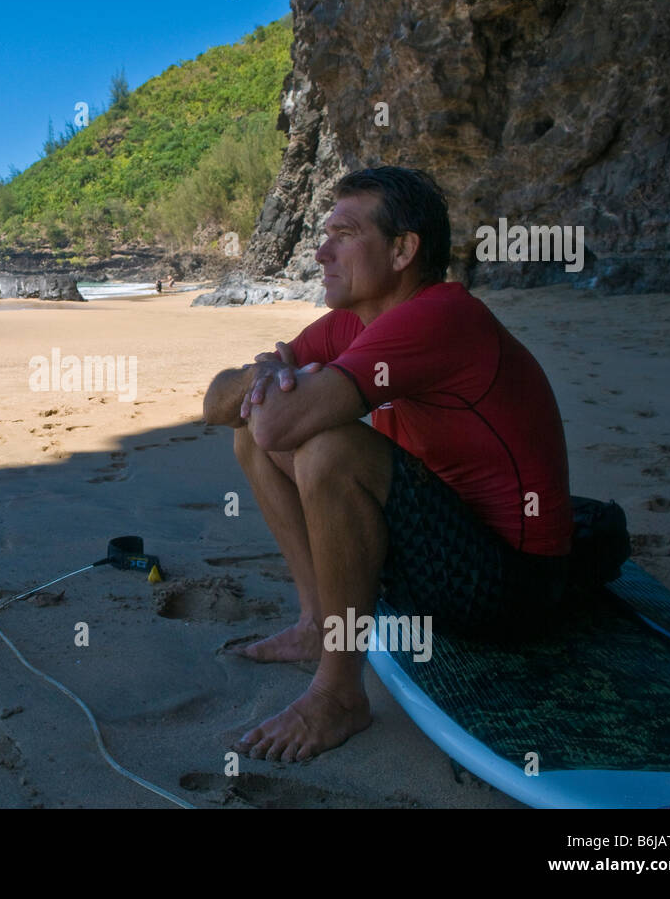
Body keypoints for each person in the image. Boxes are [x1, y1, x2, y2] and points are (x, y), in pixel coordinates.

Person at [201, 166, 572, 762]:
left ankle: (340, 694)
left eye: (344, 234)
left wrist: (273, 385)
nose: (321, 252)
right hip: (440, 555)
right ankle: (318, 622)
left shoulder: (440, 318)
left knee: (328, 447)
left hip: (513, 587)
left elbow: (275, 420)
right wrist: (267, 371)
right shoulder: (354, 321)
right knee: (253, 441)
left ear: (402, 250)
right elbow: (220, 406)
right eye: (324, 234)